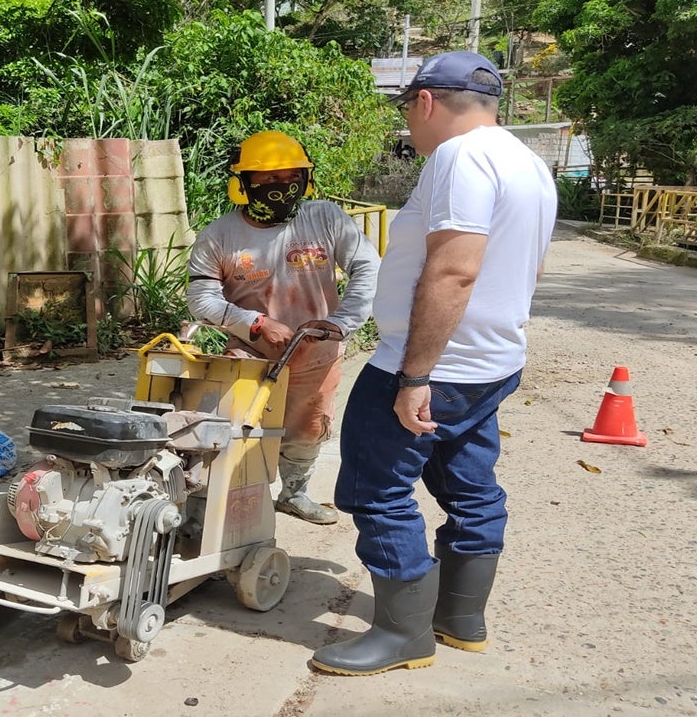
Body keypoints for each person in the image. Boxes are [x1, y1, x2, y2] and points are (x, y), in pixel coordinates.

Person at [311, 52, 557, 675]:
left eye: (408, 112)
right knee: (470, 487)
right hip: (491, 364)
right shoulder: (529, 164)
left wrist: (415, 374)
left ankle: (402, 635)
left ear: (425, 101)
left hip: (431, 367)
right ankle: (460, 617)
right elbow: (531, 268)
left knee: (378, 489)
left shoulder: (460, 156)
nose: (410, 130)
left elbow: (455, 268)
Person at [186, 130, 380, 525]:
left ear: (305, 179)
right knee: (232, 425)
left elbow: (368, 267)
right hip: (248, 352)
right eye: (268, 179)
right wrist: (254, 322)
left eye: (291, 176)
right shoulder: (219, 236)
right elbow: (201, 300)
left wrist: (341, 322)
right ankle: (216, 502)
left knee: (309, 427)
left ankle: (294, 492)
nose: (281, 186)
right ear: (243, 184)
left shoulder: (325, 218)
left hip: (316, 348)